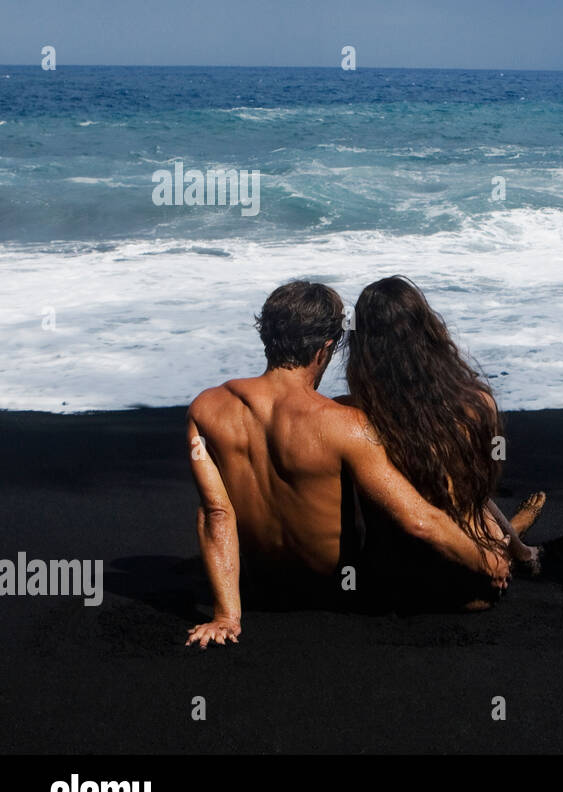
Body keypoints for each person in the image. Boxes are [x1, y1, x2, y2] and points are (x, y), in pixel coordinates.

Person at [183, 281, 518, 648]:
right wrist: (486, 563)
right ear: (325, 349)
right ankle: (504, 539)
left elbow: (216, 515)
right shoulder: (345, 424)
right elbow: (418, 521)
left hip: (263, 591)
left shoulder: (207, 409)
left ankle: (504, 532)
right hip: (343, 592)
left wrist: (226, 615)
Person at [342, 275, 544, 602]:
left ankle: (514, 543)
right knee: (457, 483)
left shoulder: (350, 417)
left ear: (361, 344)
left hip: (393, 582)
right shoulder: (479, 404)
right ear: (428, 331)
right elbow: (477, 489)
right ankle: (515, 545)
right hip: (473, 584)